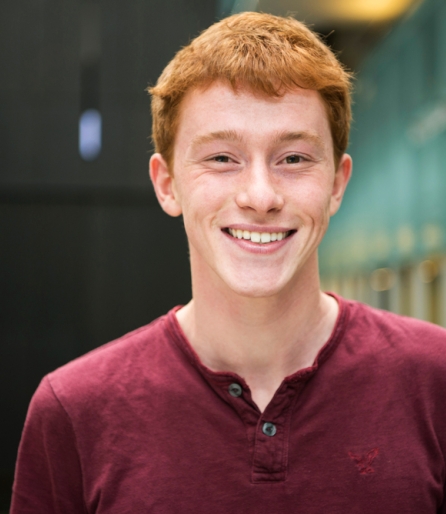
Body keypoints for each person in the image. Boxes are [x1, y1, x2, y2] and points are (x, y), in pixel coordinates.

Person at [11, 12, 446, 514]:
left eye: (294, 159)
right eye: (221, 158)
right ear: (167, 183)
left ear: (336, 184)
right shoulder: (74, 412)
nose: (260, 196)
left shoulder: (433, 381)